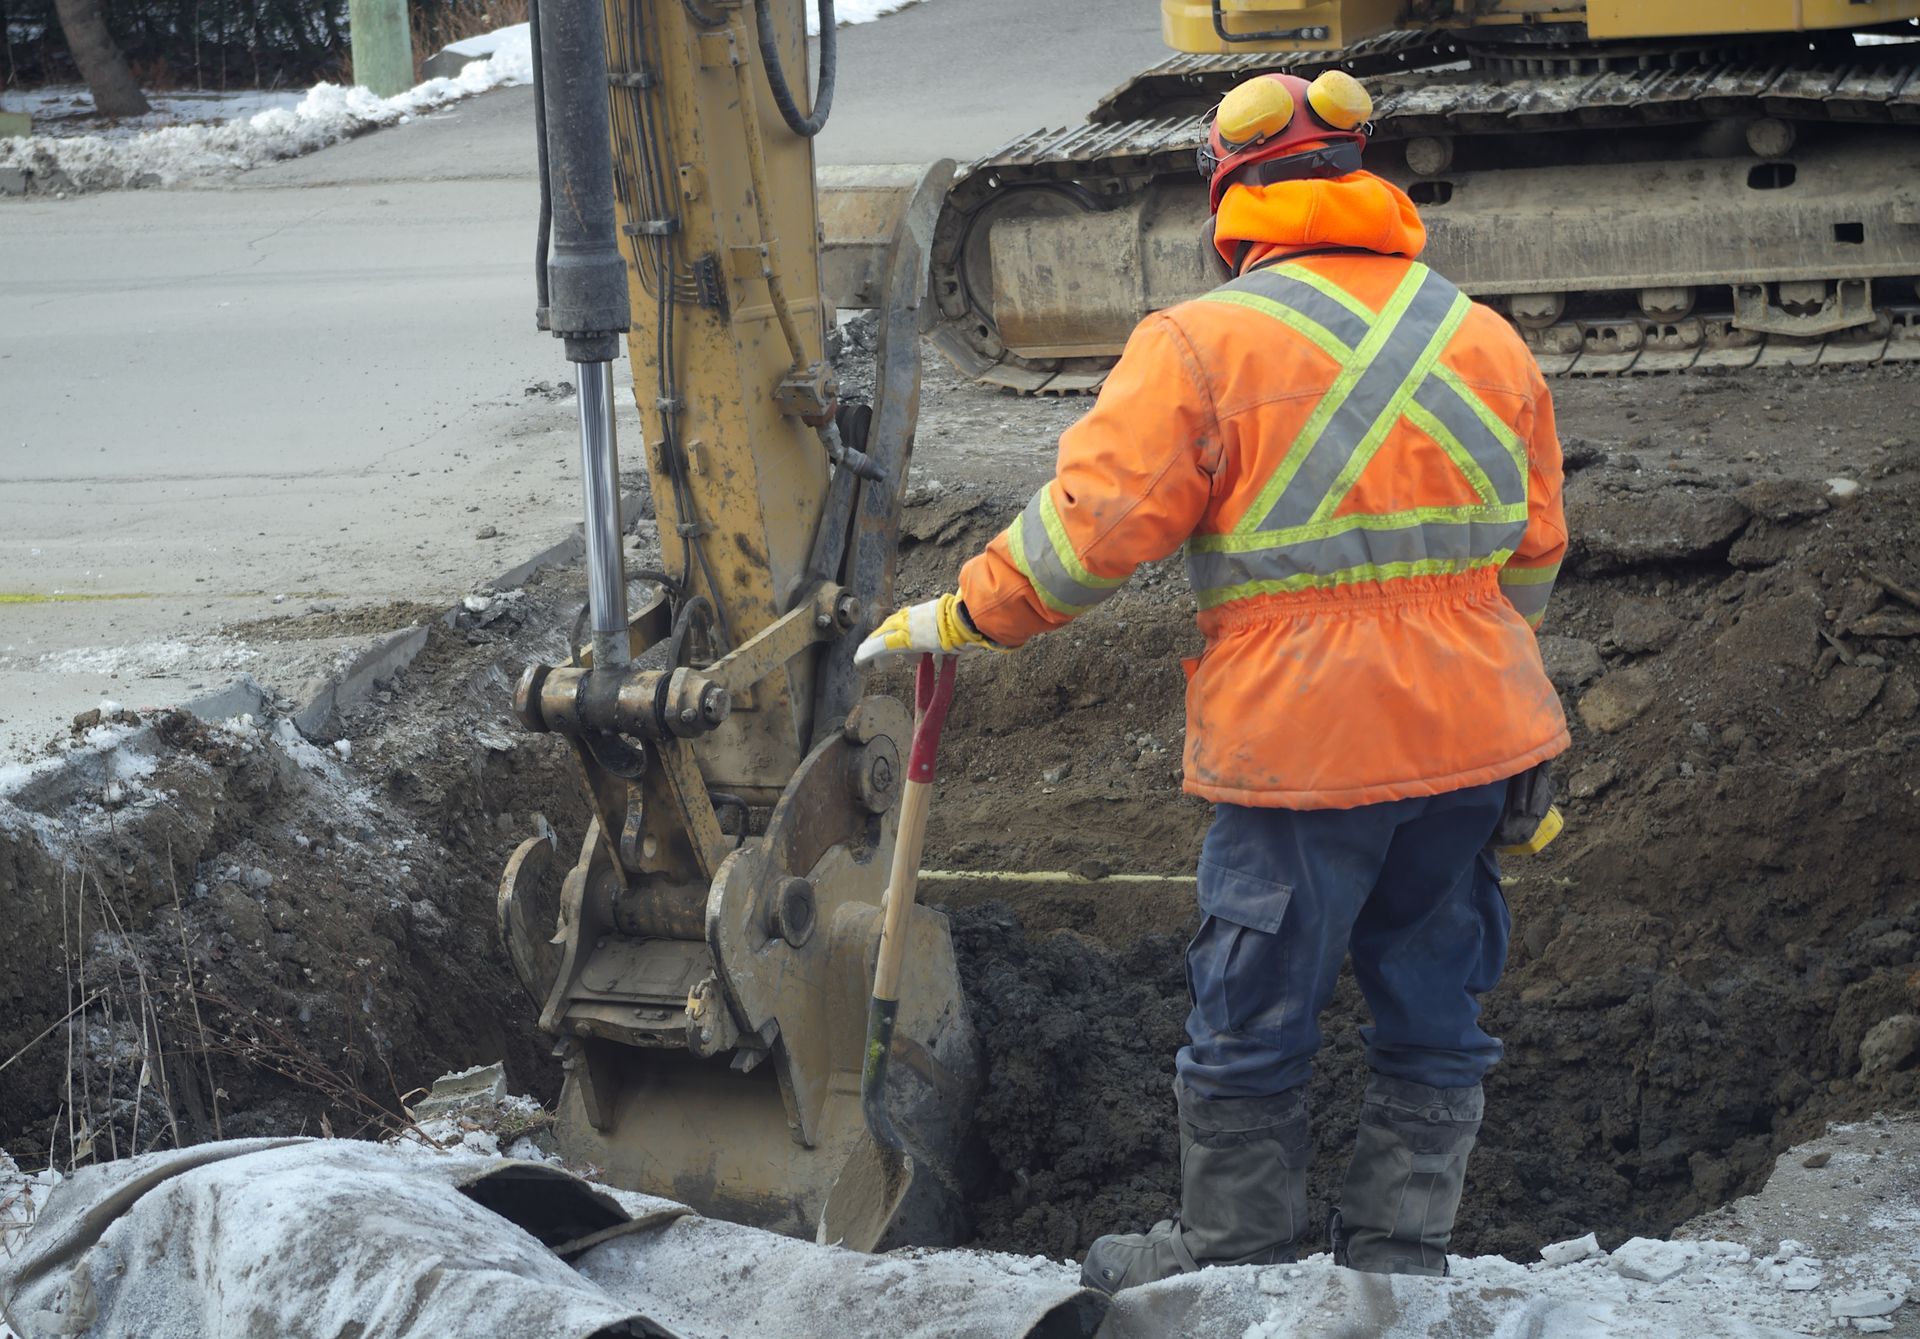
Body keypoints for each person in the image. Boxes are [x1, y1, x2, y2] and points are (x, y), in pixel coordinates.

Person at [854, 69, 1569, 1292]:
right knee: (1438, 1001)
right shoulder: (1482, 335)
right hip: (1476, 738)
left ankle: (1234, 1250)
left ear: (1229, 201)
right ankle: (1401, 1249)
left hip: (1303, 750)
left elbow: (1085, 541)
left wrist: (963, 614)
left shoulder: (1197, 343)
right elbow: (1535, 553)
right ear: (1364, 186)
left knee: (1254, 1008)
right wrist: (1500, 699)